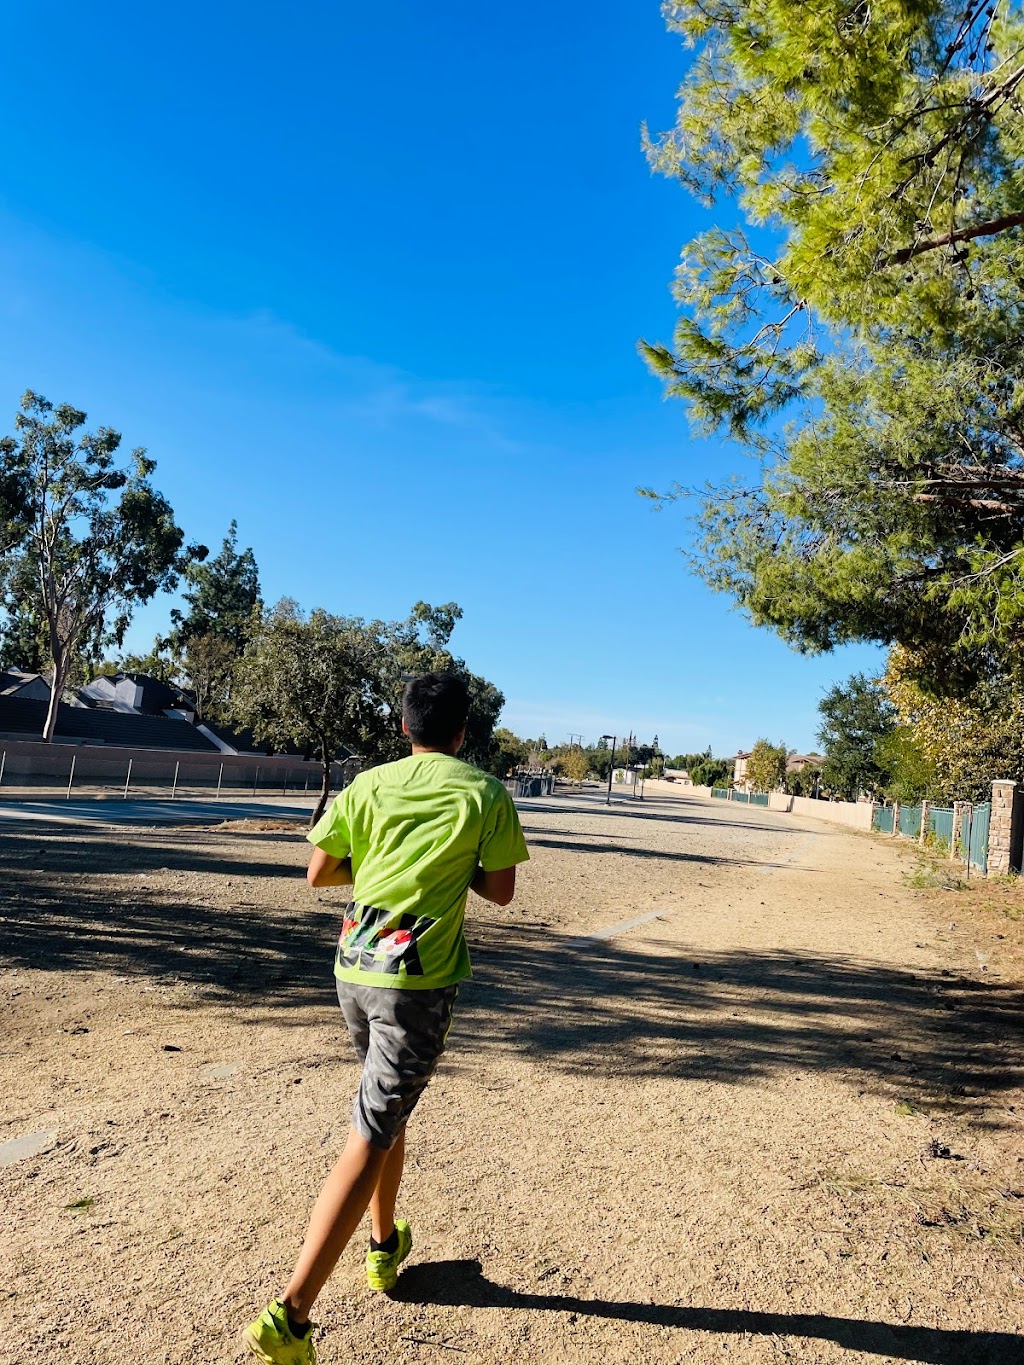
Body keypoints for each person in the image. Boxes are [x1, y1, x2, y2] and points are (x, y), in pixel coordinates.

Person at [242, 672, 529, 1364]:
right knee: (370, 1132)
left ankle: (383, 1244)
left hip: (353, 970)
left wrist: (380, 872)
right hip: (416, 984)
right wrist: (445, 868)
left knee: (387, 1109)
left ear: (404, 727)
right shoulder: (484, 792)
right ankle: (291, 1317)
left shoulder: (366, 785)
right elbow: (502, 890)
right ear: (464, 732)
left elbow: (319, 873)